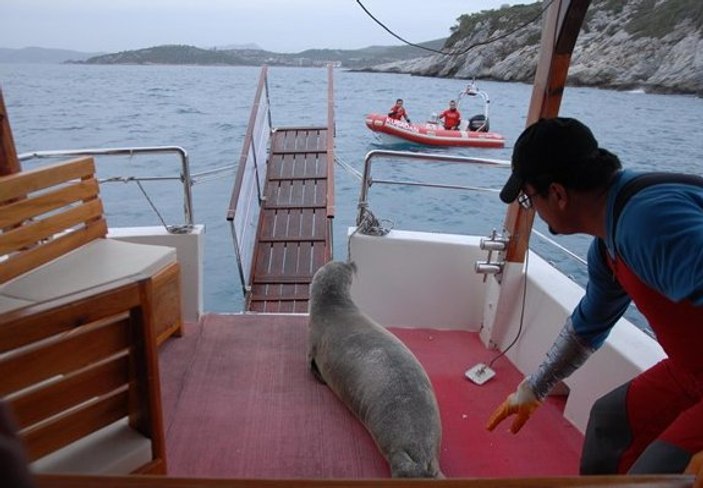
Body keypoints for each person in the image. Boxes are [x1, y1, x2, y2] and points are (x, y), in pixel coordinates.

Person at [486, 117, 703, 483]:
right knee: (610, 423)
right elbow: (588, 327)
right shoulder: (608, 244)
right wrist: (533, 389)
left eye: (529, 198)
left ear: (557, 193)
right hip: (692, 369)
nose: (533, 210)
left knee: (661, 473)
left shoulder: (649, 223)